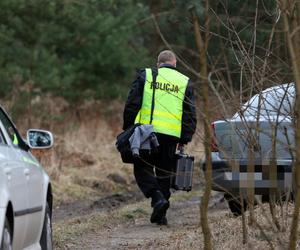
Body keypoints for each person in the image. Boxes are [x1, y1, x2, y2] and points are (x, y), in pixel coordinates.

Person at [123, 50, 197, 225]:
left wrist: (128, 128)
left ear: (158, 64)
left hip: (147, 133)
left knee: (141, 167)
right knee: (164, 172)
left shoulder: (146, 75)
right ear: (175, 64)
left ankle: (157, 198)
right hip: (171, 136)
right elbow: (190, 114)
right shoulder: (184, 82)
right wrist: (185, 137)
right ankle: (161, 214)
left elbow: (132, 103)